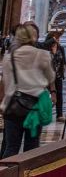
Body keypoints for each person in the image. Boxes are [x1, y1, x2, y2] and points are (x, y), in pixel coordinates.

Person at [1, 24, 55, 157]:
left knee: (11, 146)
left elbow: (5, 83)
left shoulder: (9, 57)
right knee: (32, 147)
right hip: (35, 106)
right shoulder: (43, 55)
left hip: (13, 106)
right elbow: (50, 77)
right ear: (33, 38)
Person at [46, 32, 66, 121]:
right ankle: (45, 112)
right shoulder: (46, 49)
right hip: (47, 76)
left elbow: (63, 61)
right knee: (46, 95)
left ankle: (59, 114)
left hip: (58, 75)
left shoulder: (60, 48)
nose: (57, 40)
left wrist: (63, 70)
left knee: (59, 94)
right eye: (55, 39)